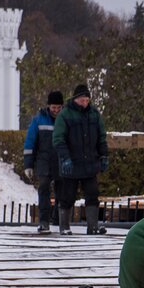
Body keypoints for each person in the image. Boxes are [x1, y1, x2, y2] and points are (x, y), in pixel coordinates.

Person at [52, 83, 108, 235]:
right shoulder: (65, 115)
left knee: (92, 194)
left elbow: (101, 137)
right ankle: (64, 226)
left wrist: (103, 155)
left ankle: (93, 226)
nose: (85, 102)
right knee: (67, 196)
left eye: (87, 100)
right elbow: (58, 139)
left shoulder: (94, 114)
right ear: (76, 99)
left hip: (90, 163)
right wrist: (65, 158)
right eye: (83, 99)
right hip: (71, 164)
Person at [23, 90, 64, 234]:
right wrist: (28, 164)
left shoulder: (66, 119)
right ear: (48, 106)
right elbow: (30, 142)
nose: (56, 111)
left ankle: (59, 220)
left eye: (59, 108)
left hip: (61, 161)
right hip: (44, 160)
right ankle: (44, 221)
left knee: (63, 190)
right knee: (44, 188)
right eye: (54, 108)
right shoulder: (39, 119)